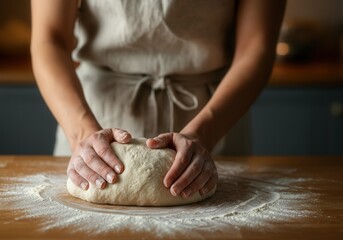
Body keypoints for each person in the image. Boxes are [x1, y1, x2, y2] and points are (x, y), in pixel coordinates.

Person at [31, 0, 286, 199]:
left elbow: (256, 47)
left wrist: (203, 135)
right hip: (93, 118)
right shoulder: (85, 133)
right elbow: (49, 39)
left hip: (214, 118)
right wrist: (82, 134)